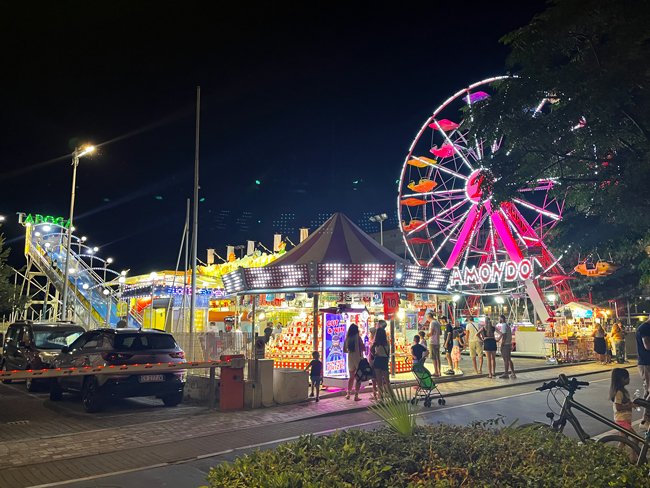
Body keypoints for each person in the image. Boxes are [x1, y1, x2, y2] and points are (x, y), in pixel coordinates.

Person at [343, 323, 365, 401]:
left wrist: (350, 350)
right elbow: (363, 348)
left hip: (350, 359)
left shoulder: (347, 338)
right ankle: (356, 395)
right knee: (358, 378)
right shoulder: (358, 338)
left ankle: (348, 394)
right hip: (358, 359)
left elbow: (344, 350)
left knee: (351, 377)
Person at [636, 318, 650, 426]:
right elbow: (647, 345)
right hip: (646, 362)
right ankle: (646, 418)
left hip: (647, 362)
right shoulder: (644, 328)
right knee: (649, 390)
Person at [610, 368, 633, 432]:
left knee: (623, 440)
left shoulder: (623, 391)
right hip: (622, 420)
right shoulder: (619, 392)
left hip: (625, 419)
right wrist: (630, 406)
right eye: (627, 377)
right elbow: (618, 407)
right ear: (622, 379)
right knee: (635, 439)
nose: (629, 379)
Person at [370, 327, 391, 400]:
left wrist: (375, 354)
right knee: (387, 381)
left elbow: (371, 350)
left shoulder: (376, 343)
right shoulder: (387, 342)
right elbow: (388, 353)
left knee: (379, 382)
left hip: (377, 360)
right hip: (384, 360)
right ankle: (393, 398)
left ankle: (381, 397)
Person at [426, 312, 442, 377]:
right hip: (437, 342)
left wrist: (427, 335)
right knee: (438, 357)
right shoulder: (438, 322)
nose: (427, 319)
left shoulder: (432, 323)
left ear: (429, 317)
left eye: (427, 318)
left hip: (432, 342)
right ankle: (439, 371)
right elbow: (440, 333)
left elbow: (431, 332)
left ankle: (436, 372)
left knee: (434, 358)